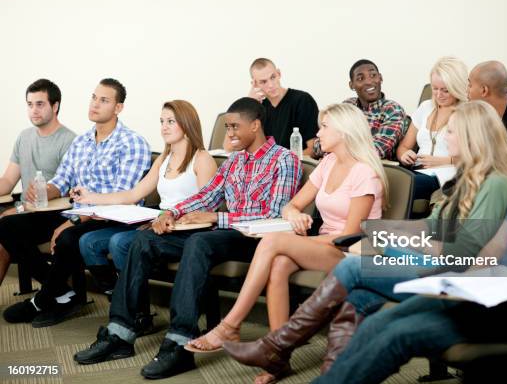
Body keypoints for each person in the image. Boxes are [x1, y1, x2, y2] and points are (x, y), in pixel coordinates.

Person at [295, 101, 507, 384]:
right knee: (378, 323)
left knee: (397, 334)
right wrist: (467, 278)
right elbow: (495, 247)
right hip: (483, 299)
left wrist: (499, 280)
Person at [222, 100, 507, 380]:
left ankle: (276, 345)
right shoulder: (465, 179)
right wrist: (382, 236)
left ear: (473, 137)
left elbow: (463, 252)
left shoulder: (495, 183)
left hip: (456, 277)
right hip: (436, 265)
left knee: (353, 270)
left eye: (452, 131)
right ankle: (326, 372)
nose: (446, 136)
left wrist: (384, 241)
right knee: (359, 297)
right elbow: (430, 227)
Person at [73, 97, 302, 380]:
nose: (228, 133)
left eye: (234, 127)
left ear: (255, 126)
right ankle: (120, 333)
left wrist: (215, 218)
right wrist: (173, 212)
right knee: (141, 240)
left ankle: (180, 341)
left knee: (199, 242)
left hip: (258, 238)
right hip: (227, 232)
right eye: (227, 127)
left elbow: (271, 216)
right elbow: (206, 195)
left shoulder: (284, 159)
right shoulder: (234, 161)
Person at [187, 102, 389, 383]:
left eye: (325, 127)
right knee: (279, 264)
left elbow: (351, 236)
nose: (318, 132)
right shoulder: (328, 163)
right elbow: (291, 205)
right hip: (326, 243)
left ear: (344, 132)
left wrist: (301, 231)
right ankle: (277, 359)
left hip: (356, 252)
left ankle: (230, 325)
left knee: (271, 242)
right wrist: (296, 217)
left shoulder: (364, 173)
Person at [2, 78, 150, 327]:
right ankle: (62, 293)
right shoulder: (81, 142)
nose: (95, 104)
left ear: (118, 108)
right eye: (94, 97)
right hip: (76, 213)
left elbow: (121, 198)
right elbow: (61, 180)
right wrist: (43, 190)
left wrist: (74, 220)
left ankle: (43, 299)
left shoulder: (132, 143)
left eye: (104, 100)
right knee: (7, 225)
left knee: (68, 237)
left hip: (109, 217)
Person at [73, 100, 217, 294]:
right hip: (158, 220)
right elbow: (134, 194)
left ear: (187, 123)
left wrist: (168, 217)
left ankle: (136, 309)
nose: (164, 127)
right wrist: (91, 197)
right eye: (162, 121)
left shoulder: (202, 159)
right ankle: (118, 295)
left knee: (119, 242)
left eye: (171, 121)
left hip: (183, 228)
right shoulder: (164, 159)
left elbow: (206, 208)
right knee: (88, 242)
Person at [0, 79, 76, 286]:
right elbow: (7, 181)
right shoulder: (24, 137)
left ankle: (55, 288)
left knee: (5, 226)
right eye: (30, 104)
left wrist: (20, 209)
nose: (34, 110)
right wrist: (19, 208)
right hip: (24, 211)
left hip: (52, 214)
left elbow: (67, 194)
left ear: (55, 106)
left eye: (40, 104)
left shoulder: (70, 141)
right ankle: (56, 288)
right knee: (5, 228)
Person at [396, 56, 468, 203]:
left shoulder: (468, 113)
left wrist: (444, 161)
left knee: (403, 186)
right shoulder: (425, 107)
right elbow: (403, 147)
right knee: (381, 177)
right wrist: (404, 155)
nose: (438, 95)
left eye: (445, 90)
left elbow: (480, 158)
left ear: (457, 87)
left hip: (445, 174)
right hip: (416, 170)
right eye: (435, 88)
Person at [314, 59, 407, 161]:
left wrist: (336, 150)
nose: (368, 81)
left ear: (380, 78)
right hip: (340, 164)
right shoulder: (348, 105)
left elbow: (377, 150)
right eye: (360, 78)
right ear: (351, 85)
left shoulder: (392, 109)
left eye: (373, 75)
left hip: (376, 169)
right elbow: (319, 145)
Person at [244, 58, 319, 156]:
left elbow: (313, 149)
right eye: (263, 82)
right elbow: (236, 145)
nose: (271, 85)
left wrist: (280, 163)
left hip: (294, 166)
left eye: (273, 77)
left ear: (279, 74)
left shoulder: (302, 100)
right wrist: (249, 103)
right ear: (255, 84)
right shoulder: (258, 108)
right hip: (267, 167)